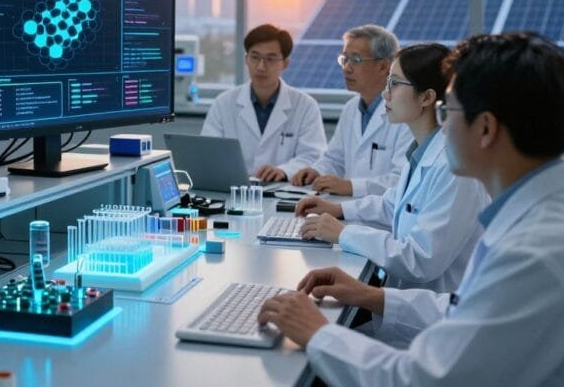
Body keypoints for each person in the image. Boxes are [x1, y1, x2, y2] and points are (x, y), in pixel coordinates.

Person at [259, 33, 564, 387]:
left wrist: (317, 331)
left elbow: (422, 380)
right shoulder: (558, 211)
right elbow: (469, 310)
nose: (444, 128)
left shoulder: (538, 249)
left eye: (451, 113)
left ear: (485, 128)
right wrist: (372, 297)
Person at [295, 43, 489, 292]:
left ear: (427, 97)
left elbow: (421, 259)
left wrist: (344, 233)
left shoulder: (454, 169)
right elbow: (394, 205)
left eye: (395, 84)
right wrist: (338, 209)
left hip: (429, 318)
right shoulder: (424, 152)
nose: (385, 94)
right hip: (402, 303)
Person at [290, 25, 412, 196]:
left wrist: (351, 186)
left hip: (383, 218)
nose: (346, 68)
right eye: (344, 59)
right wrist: (316, 171)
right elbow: (335, 158)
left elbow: (402, 179)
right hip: (348, 209)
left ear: (384, 66)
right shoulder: (351, 108)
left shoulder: (406, 113)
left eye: (355, 60)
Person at [202, 24, 326, 182]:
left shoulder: (305, 106)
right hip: (235, 191)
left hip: (285, 191)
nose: (261, 66)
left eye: (270, 59)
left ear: (285, 63)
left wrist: (284, 170)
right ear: (246, 59)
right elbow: (209, 154)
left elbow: (314, 155)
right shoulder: (223, 103)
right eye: (255, 57)